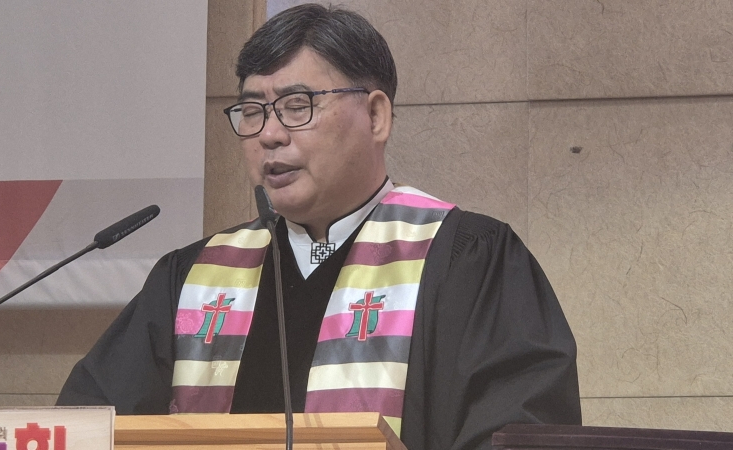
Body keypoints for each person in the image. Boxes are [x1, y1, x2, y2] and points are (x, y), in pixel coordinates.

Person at [57, 4, 581, 449]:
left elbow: (520, 431)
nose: (269, 134)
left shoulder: (467, 260)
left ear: (376, 116)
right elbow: (86, 426)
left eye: (296, 105)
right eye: (252, 111)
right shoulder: (193, 278)